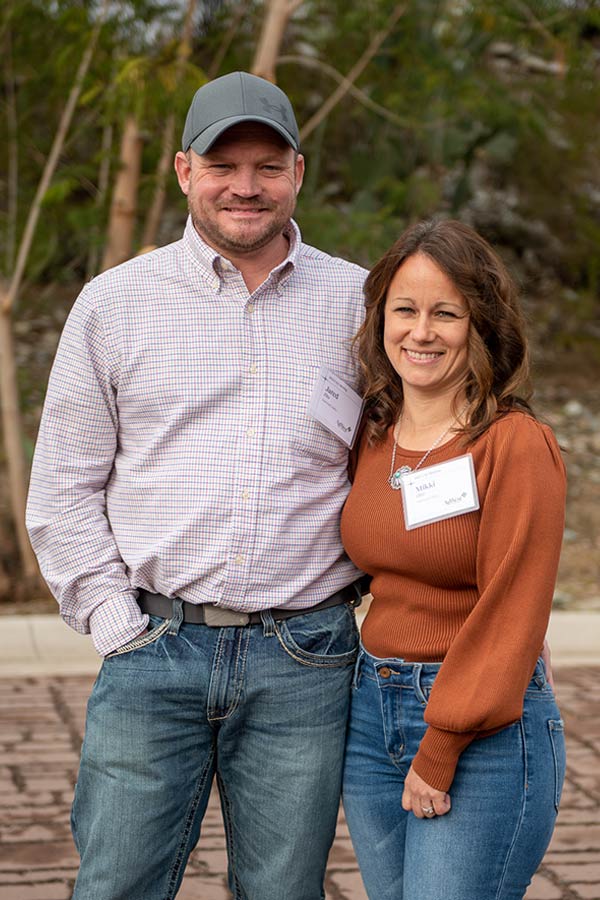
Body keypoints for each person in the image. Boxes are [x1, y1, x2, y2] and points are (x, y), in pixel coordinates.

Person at [26, 72, 368, 900]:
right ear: (183, 171)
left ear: (299, 170)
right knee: (115, 886)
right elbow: (64, 488)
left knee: (285, 891)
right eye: (223, 164)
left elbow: (400, 461)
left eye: (267, 165)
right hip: (155, 649)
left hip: (307, 659)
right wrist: (117, 626)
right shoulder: (114, 304)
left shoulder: (363, 302)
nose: (245, 186)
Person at [340, 219, 567, 900]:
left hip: (479, 732)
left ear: (480, 324)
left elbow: (512, 607)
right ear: (381, 318)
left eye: (446, 313)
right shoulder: (372, 434)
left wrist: (440, 748)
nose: (421, 331)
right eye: (404, 310)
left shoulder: (514, 444)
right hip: (369, 714)